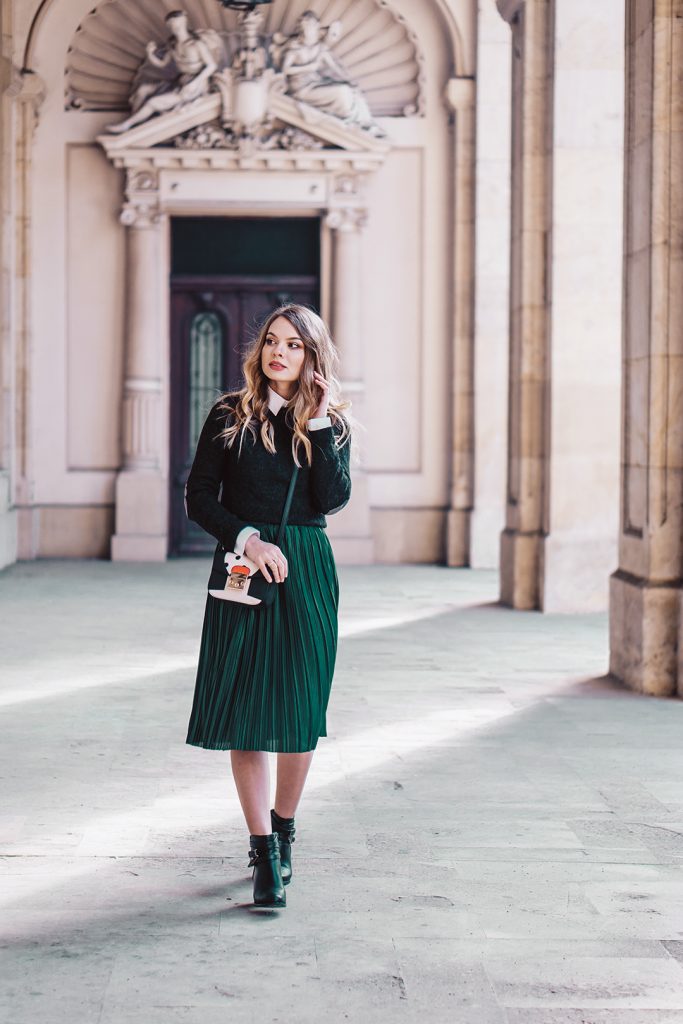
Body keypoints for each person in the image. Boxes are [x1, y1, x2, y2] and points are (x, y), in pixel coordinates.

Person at [184, 304, 352, 909]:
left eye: (294, 346)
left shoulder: (327, 422)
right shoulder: (229, 415)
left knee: (301, 708)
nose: (278, 353)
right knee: (247, 709)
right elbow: (199, 497)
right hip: (243, 567)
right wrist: (246, 539)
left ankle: (284, 831)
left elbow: (332, 500)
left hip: (306, 569)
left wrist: (323, 422)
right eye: (271, 342)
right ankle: (261, 851)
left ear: (313, 356)